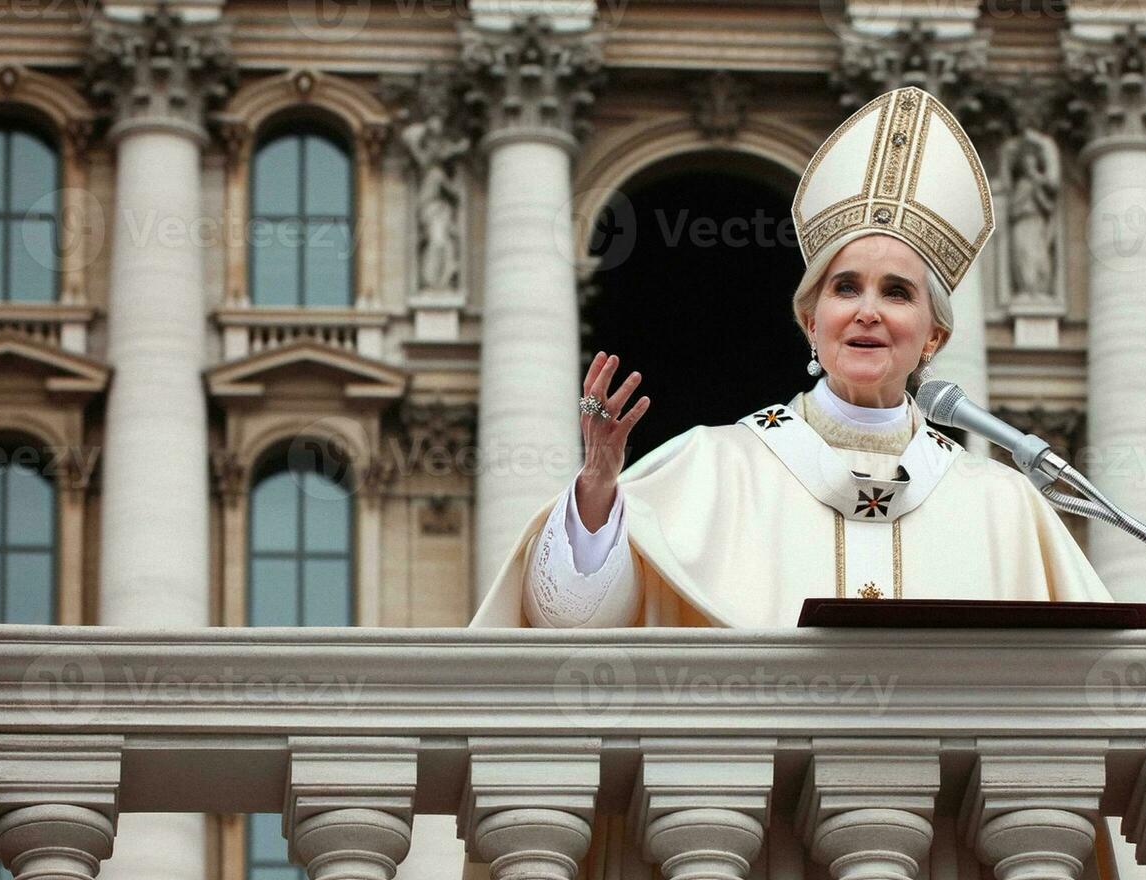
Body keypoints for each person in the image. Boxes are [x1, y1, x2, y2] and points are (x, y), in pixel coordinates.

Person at [471, 85, 1110, 630]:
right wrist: (598, 492)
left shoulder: (1003, 504)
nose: (868, 311)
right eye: (845, 288)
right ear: (811, 321)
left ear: (934, 337)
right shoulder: (716, 466)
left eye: (896, 292)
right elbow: (569, 622)